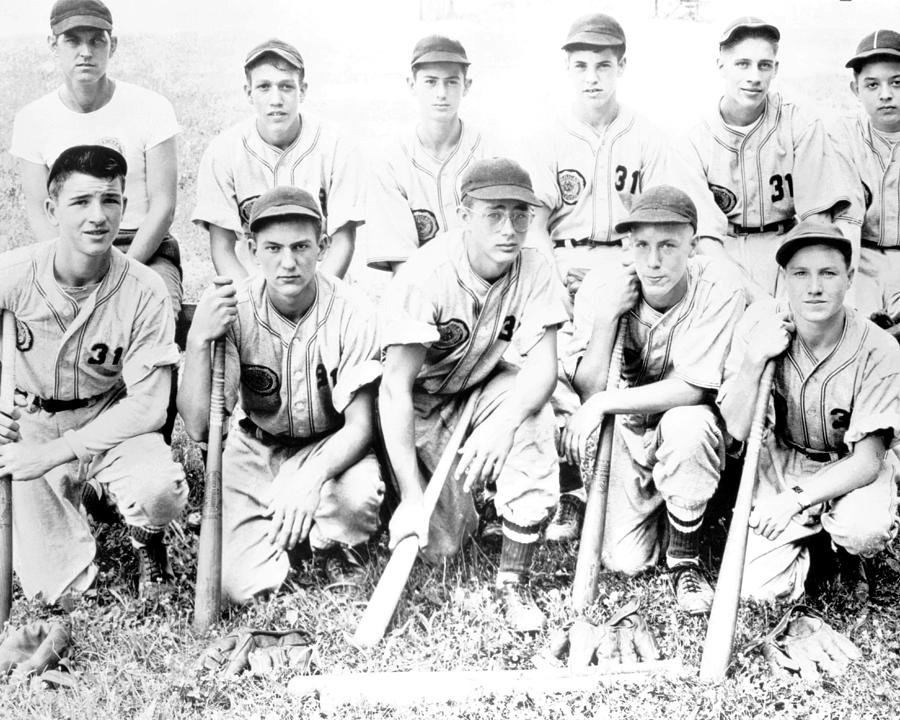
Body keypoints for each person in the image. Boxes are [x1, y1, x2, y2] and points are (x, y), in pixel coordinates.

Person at [525, 13, 721, 542]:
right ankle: (568, 488)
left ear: (622, 67)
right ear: (567, 70)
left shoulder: (649, 137)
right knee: (553, 372)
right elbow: (535, 226)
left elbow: (668, 220)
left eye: (604, 65)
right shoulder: (547, 138)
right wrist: (550, 280)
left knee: (619, 374)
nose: (593, 76)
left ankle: (658, 478)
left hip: (630, 262)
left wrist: (627, 271)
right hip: (562, 267)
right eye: (582, 66)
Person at [379, 157, 568, 632]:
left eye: (520, 214)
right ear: (464, 216)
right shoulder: (428, 274)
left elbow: (544, 367)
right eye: (494, 214)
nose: (510, 228)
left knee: (532, 414)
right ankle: (399, 489)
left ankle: (513, 578)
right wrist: (410, 497)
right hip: (421, 403)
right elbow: (394, 390)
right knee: (441, 547)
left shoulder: (536, 264)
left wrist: (503, 428)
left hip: (483, 387)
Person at [0, 145, 187, 605]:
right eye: (80, 202)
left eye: (110, 200)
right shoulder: (14, 273)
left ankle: (147, 541)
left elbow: (148, 405)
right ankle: (84, 501)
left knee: (157, 491)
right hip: (32, 419)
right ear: (51, 209)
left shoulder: (145, 289)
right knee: (60, 595)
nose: (98, 216)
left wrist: (59, 454)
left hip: (108, 419)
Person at [179, 186, 383, 603]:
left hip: (330, 442)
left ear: (323, 246)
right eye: (273, 248)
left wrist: (309, 477)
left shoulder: (353, 310)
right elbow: (200, 426)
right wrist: (199, 339)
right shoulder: (236, 310)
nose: (288, 262)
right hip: (257, 447)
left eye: (301, 246)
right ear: (252, 250)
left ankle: (329, 546)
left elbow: (361, 426)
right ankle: (294, 535)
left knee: (355, 501)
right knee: (236, 585)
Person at [560, 185, 745, 615]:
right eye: (642, 245)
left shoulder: (719, 283)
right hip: (631, 430)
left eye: (668, 245)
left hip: (695, 426)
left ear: (693, 245)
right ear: (627, 245)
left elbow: (693, 388)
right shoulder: (604, 286)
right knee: (625, 561)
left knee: (686, 425)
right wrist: (607, 317)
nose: (654, 260)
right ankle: (683, 508)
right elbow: (588, 387)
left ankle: (685, 557)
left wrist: (604, 402)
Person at [718, 220, 900, 603]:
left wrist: (793, 501)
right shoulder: (760, 323)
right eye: (801, 273)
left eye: (828, 273)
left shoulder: (880, 348)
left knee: (863, 528)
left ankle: (848, 553)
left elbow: (867, 461)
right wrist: (754, 361)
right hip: (784, 463)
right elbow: (735, 429)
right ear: (784, 277)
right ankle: (816, 548)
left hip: (849, 467)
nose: (814, 287)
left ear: (850, 278)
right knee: (758, 591)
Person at [9, 0, 183, 320]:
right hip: (68, 250)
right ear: (53, 44)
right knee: (31, 318)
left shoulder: (151, 108)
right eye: (73, 40)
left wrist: (121, 273)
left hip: (141, 247)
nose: (85, 52)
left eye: (96, 40)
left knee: (155, 317)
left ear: (112, 45)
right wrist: (71, 268)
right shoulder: (33, 119)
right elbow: (38, 208)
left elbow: (163, 206)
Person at [679, 16, 855, 300]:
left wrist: (798, 282)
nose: (754, 76)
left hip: (789, 244)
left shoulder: (799, 122)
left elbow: (817, 220)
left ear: (776, 69)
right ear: (721, 66)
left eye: (764, 65)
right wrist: (758, 301)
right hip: (724, 251)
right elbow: (706, 241)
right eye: (742, 64)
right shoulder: (694, 139)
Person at [192, 38, 364, 282]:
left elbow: (343, 241)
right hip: (250, 284)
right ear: (248, 93)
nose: (276, 99)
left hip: (321, 285)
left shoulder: (336, 146)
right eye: (264, 87)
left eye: (286, 87)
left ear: (302, 90)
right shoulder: (223, 151)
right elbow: (222, 247)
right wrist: (251, 302)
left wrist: (317, 300)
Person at [364, 35, 503, 273]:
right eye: (430, 82)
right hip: (421, 286)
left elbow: (501, 242)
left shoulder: (490, 151)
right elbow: (402, 264)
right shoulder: (390, 160)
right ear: (412, 85)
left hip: (485, 279)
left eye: (451, 82)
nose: (441, 93)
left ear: (466, 86)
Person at [829, 29, 900, 324]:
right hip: (863, 255)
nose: (886, 94)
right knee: (858, 325)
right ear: (855, 90)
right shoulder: (843, 136)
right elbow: (848, 224)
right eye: (872, 84)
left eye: (897, 83)